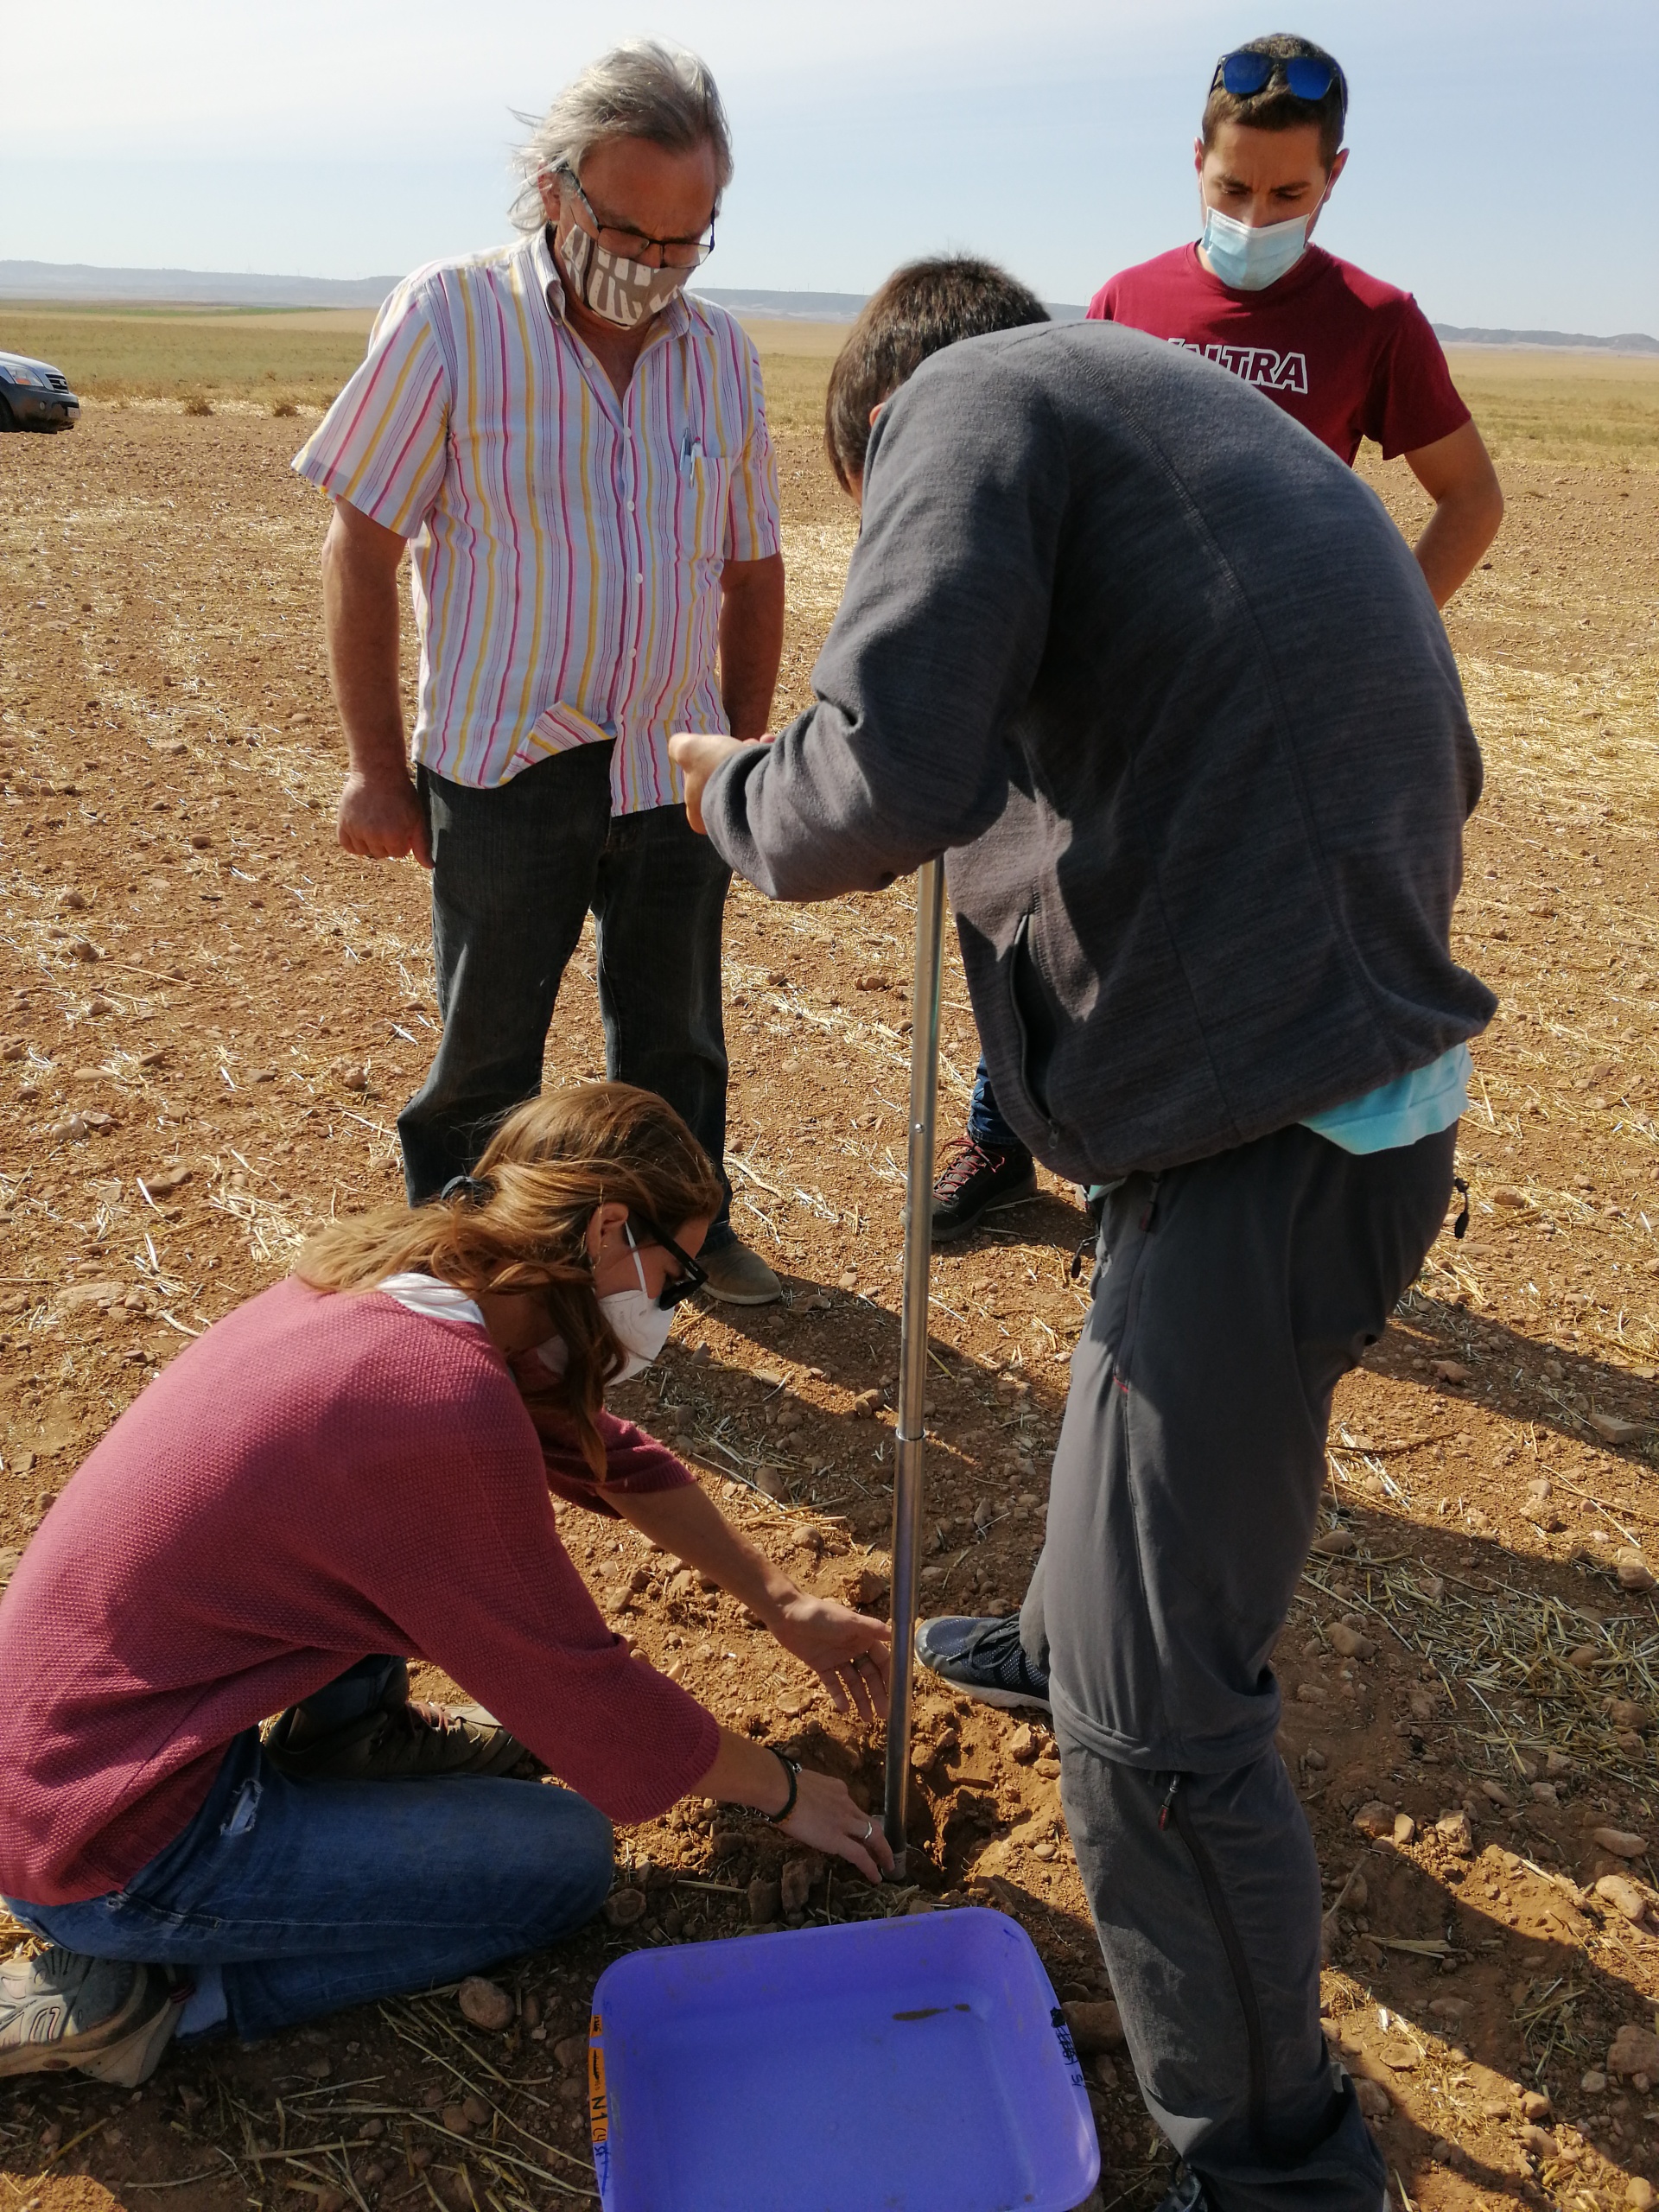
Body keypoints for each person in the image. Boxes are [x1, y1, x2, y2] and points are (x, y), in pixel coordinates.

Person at [671, 260, 1493, 2212]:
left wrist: (729, 790)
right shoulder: (1169, 423)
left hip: (1269, 1141)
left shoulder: (965, 408)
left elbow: (866, 782)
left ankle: (1279, 2168)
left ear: (879, 432)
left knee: (1156, 1728)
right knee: (1129, 1394)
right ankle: (1055, 1630)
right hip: (1325, 1097)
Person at [0, 1084, 893, 2088]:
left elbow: (609, 1453)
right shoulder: (438, 1403)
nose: (671, 1308)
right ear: (609, 1229)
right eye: (675, 1278)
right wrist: (782, 1792)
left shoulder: (400, 1284)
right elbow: (587, 1705)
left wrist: (779, 1600)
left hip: (75, 1749)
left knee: (347, 1552)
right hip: (113, 1840)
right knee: (563, 1861)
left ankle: (349, 1741)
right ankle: (156, 1996)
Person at [932, 30, 1504, 1243]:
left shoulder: (1374, 320)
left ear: (1335, 176)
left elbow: (1471, 498)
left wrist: (1373, 636)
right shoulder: (1128, 305)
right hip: (1127, 692)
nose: (1258, 215)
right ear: (1196, 160)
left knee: (1261, 934)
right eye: (1233, 188)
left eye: (1288, 194)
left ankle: (1224, 1175)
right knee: (1065, 906)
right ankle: (1003, 1131)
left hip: (1277, 717)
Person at [293, 39, 788, 1305]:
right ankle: (459, 1268)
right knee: (485, 1053)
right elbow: (361, 537)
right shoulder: (452, 317)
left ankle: (685, 1235)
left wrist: (742, 759)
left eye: (691, 241)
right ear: (557, 191)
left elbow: (752, 567)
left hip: (673, 766)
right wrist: (370, 768)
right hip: (505, 767)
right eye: (633, 233)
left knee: (677, 1038)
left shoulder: (722, 355)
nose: (658, 269)